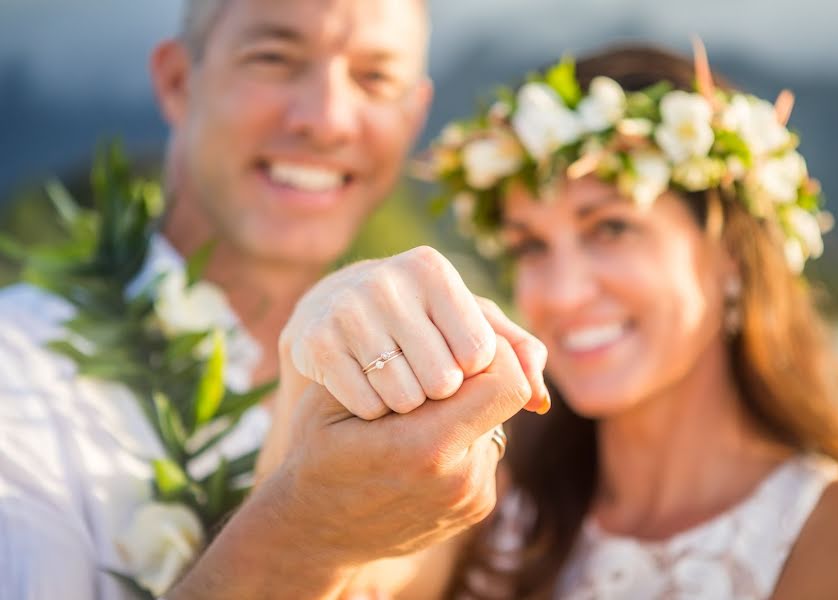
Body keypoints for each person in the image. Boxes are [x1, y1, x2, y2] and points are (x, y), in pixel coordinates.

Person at [0, 0, 549, 598]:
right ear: (178, 81)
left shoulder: (446, 377)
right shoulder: (18, 369)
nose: (328, 120)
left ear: (414, 114)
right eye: (275, 59)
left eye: (375, 78)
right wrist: (308, 529)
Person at [331, 44, 838, 598]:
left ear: (731, 253)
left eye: (610, 228)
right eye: (530, 246)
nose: (562, 294)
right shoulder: (483, 499)